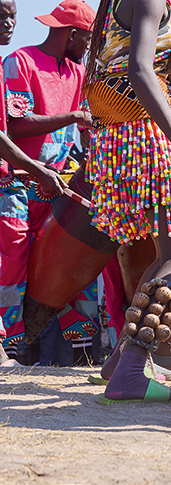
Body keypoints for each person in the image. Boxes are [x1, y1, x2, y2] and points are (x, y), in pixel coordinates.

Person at [84, 0, 171, 404]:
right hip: (148, 139)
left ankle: (120, 361)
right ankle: (128, 373)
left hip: (135, 135)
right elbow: (140, 72)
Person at [0, 0, 94, 354]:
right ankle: (12, 344)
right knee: (15, 260)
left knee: (66, 260)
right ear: (71, 34)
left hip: (59, 186)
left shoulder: (78, 73)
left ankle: (81, 347)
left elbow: (83, 132)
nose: (88, 47)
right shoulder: (20, 62)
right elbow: (16, 126)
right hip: (17, 185)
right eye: (86, 39)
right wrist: (73, 116)